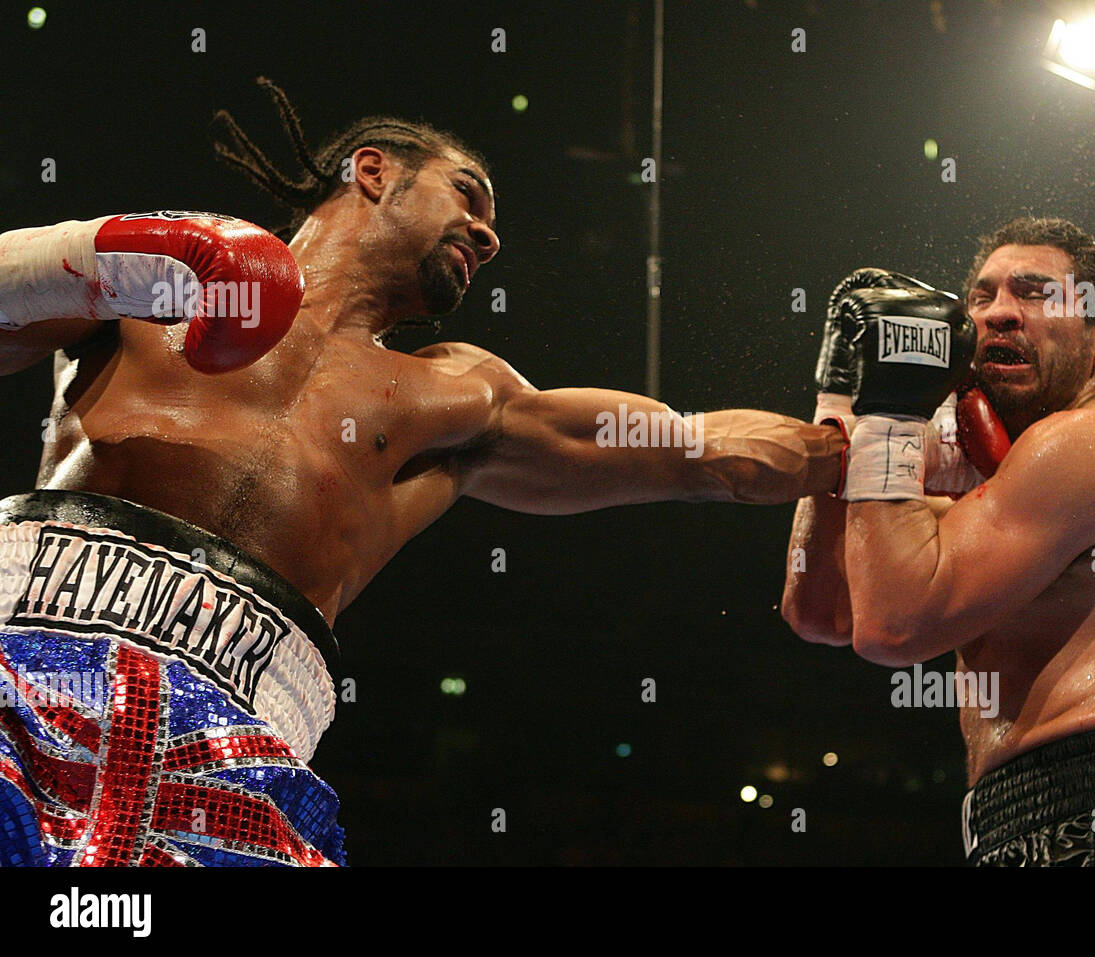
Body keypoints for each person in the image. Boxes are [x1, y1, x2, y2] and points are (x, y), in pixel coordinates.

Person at [0, 80, 845, 867]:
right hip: (27, 661)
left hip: (235, 746)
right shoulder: (168, 279)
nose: (489, 234)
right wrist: (105, 252)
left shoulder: (461, 395)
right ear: (372, 173)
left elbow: (697, 452)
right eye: (467, 196)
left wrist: (870, 431)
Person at [782, 218, 1095, 866]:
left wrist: (893, 411)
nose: (998, 312)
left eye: (1033, 292)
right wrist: (842, 396)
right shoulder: (984, 484)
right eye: (982, 295)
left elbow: (895, 625)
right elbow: (822, 610)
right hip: (1011, 821)